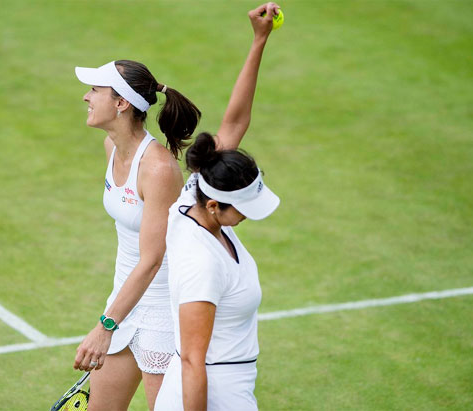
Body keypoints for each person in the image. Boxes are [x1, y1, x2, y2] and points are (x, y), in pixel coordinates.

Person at [72, 2, 280, 409]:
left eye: (95, 89)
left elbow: (151, 261)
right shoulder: (110, 146)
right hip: (124, 300)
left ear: (121, 104)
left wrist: (104, 326)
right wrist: (113, 316)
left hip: (166, 315)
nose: (85, 95)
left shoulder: (161, 171)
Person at [154, 3, 282, 411]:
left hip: (232, 383)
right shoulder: (200, 261)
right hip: (215, 393)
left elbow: (235, 120)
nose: (246, 216)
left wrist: (259, 40)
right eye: (242, 208)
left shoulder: (201, 186)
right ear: (214, 205)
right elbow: (193, 360)